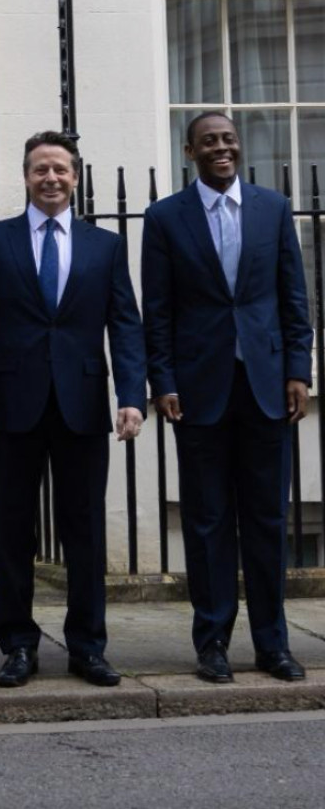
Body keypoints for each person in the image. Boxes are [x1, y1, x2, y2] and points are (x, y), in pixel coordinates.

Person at [0, 131, 146, 688]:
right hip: (10, 406)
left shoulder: (103, 246)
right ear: (26, 176)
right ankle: (17, 644)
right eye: (40, 169)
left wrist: (130, 395)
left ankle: (88, 646)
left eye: (60, 169)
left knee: (84, 530)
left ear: (75, 177)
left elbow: (125, 325)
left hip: (83, 404)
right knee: (14, 530)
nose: (51, 179)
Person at [141, 112, 312, 684]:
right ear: (189, 151)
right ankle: (212, 641)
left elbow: (294, 298)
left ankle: (273, 644)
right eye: (209, 141)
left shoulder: (273, 208)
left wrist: (299, 371)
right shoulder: (165, 218)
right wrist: (161, 381)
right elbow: (157, 310)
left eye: (229, 140)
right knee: (208, 520)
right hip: (197, 390)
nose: (222, 148)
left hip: (266, 386)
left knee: (267, 519)